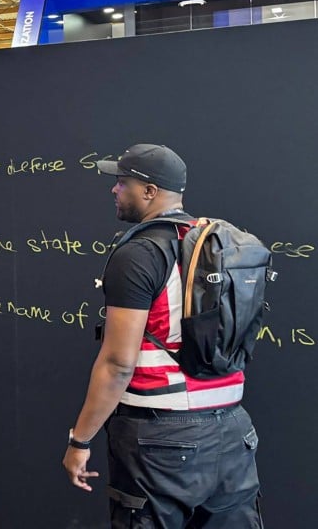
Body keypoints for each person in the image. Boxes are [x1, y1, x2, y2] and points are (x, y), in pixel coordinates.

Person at [62, 144, 262, 528]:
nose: (114, 191)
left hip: (162, 439)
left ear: (150, 192)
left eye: (122, 183)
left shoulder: (139, 254)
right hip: (235, 432)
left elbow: (119, 363)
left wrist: (79, 441)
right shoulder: (217, 245)